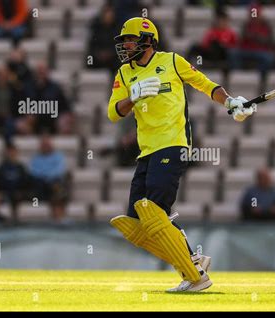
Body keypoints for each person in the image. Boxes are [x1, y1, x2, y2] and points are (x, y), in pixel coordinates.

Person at [108, 17, 256, 292]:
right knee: (137, 220)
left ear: (147, 41)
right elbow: (113, 113)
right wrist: (133, 97)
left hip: (173, 145)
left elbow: (206, 85)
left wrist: (232, 102)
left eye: (130, 40)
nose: (126, 45)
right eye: (124, 41)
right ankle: (192, 258)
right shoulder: (124, 74)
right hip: (146, 151)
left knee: (153, 210)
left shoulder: (173, 61)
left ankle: (195, 276)